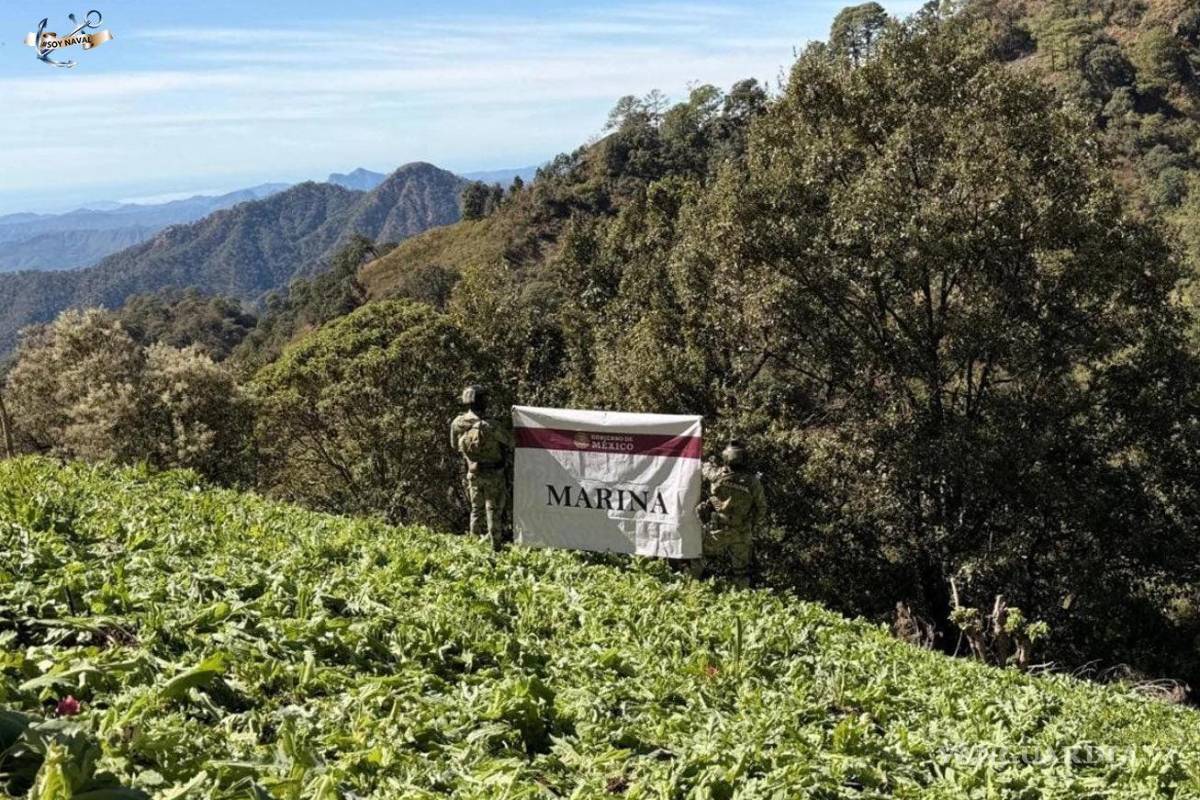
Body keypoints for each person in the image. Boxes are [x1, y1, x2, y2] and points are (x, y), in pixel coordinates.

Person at [693, 440, 766, 586]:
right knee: (741, 572)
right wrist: (753, 524)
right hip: (741, 531)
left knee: (698, 560)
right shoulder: (753, 482)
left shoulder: (717, 474)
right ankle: (741, 601)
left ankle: (688, 589)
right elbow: (761, 508)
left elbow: (703, 468)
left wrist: (710, 461)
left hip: (717, 530)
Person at [450, 385, 513, 551]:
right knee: (493, 510)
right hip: (494, 474)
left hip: (473, 473)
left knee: (476, 511)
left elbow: (453, 445)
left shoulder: (457, 423)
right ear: (482, 402)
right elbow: (512, 442)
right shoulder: (491, 425)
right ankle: (496, 547)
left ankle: (473, 546)